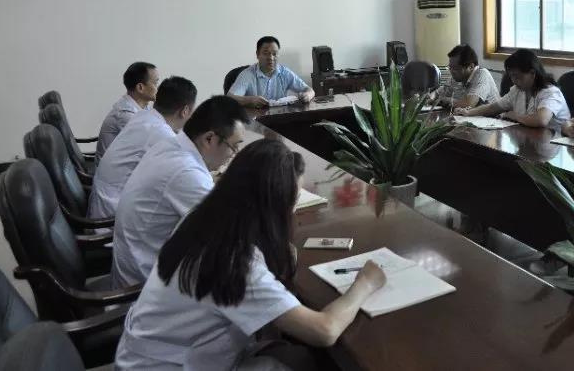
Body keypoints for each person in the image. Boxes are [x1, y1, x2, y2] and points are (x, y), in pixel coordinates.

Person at [114, 139, 386, 371]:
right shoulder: (235, 262)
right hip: (170, 365)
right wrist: (365, 284)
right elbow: (324, 330)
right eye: (292, 201)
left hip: (147, 355)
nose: (293, 211)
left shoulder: (202, 218)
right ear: (272, 205)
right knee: (303, 358)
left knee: (295, 355)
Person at [111, 95, 248, 288]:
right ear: (209, 138)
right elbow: (230, 237)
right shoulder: (186, 172)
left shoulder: (171, 145)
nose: (234, 154)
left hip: (138, 266)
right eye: (234, 146)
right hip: (143, 286)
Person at [88, 77, 197, 221]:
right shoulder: (161, 134)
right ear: (185, 110)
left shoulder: (144, 116)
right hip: (111, 219)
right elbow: (184, 180)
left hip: (104, 204)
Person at [455, 49, 570, 132]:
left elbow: (541, 120)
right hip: (530, 140)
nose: (514, 81)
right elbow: (493, 107)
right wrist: (469, 113)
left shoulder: (550, 92)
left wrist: (514, 116)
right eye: (511, 76)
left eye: (517, 76)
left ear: (532, 73)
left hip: (556, 146)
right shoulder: (517, 90)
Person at [95, 62, 159, 164]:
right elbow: (151, 146)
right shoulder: (126, 115)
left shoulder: (142, 107)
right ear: (140, 88)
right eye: (155, 83)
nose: (158, 88)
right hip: (113, 171)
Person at [228, 36, 315, 108]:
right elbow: (230, 98)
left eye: (274, 54)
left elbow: (309, 90)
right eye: (266, 53)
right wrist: (250, 100)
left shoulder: (284, 72)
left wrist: (308, 95)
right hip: (255, 119)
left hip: (280, 117)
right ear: (257, 54)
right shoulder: (247, 74)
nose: (271, 58)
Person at [437, 44, 500, 109]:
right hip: (467, 115)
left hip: (491, 115)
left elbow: (469, 104)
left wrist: (445, 100)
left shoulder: (482, 74)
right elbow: (439, 92)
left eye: (455, 68)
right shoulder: (456, 77)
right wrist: (432, 97)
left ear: (471, 67)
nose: (452, 71)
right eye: (450, 67)